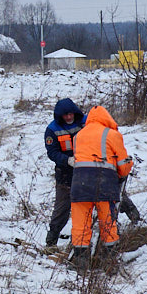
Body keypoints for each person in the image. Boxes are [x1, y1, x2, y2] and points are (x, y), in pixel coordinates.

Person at [69, 105, 134, 269]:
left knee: (80, 223)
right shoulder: (112, 134)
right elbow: (123, 165)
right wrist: (125, 168)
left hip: (79, 183)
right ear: (107, 118)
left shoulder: (77, 136)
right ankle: (109, 260)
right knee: (108, 223)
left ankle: (81, 262)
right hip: (104, 184)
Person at [43, 98, 84, 250]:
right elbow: (52, 153)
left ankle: (134, 217)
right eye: (65, 115)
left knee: (107, 194)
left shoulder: (85, 122)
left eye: (70, 114)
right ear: (59, 116)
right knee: (62, 207)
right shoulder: (52, 130)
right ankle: (51, 241)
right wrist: (68, 160)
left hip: (88, 169)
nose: (68, 117)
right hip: (65, 173)